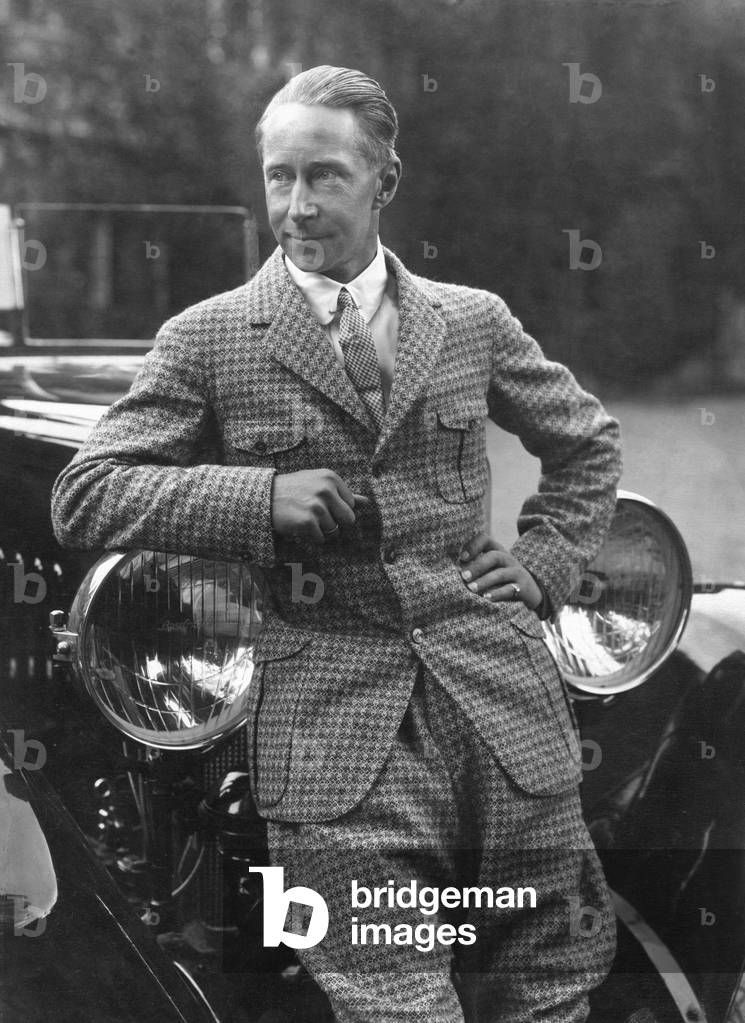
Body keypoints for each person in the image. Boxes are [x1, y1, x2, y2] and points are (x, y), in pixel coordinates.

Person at [51, 65, 621, 1023]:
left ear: (383, 183)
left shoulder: (471, 321)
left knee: (548, 985)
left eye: (324, 177)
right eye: (278, 177)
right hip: (334, 734)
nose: (296, 205)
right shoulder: (210, 337)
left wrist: (545, 562)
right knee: (397, 1007)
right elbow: (87, 493)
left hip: (505, 714)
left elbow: (586, 441)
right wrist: (260, 497)